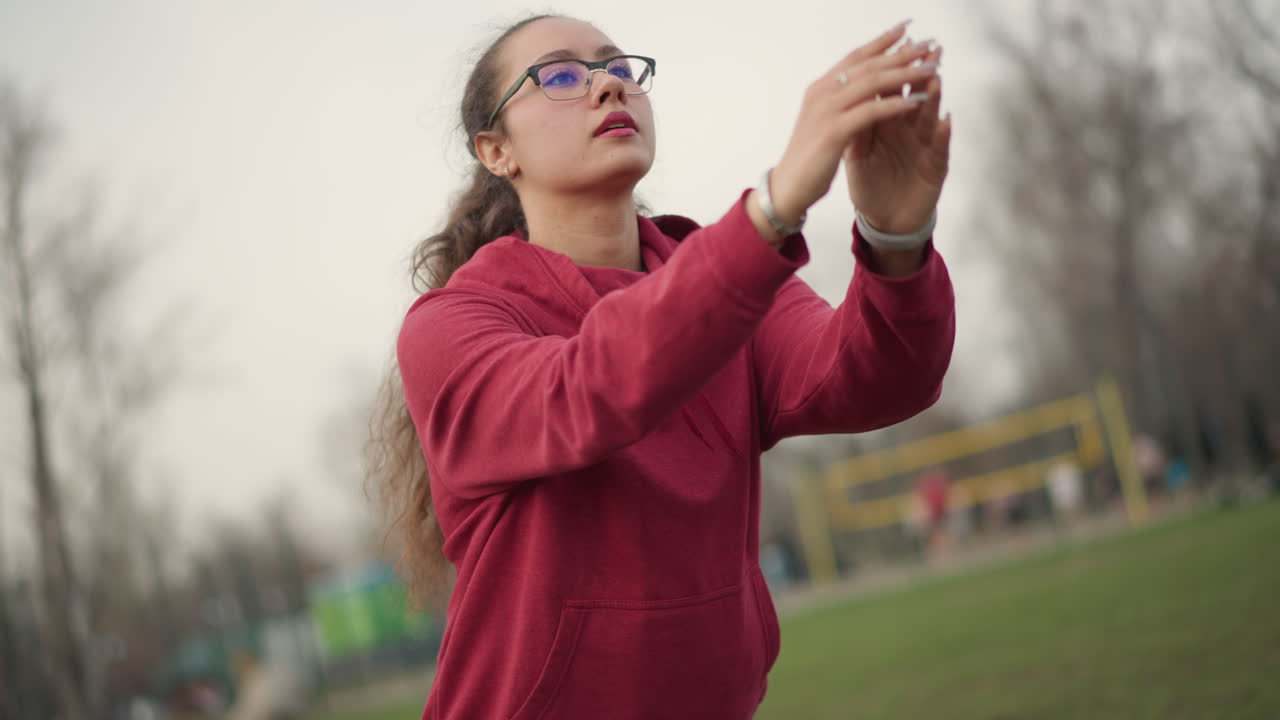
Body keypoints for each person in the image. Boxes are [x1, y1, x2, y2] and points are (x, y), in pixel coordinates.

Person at [372, 14, 955, 719]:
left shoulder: (724, 276)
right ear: (496, 150)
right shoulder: (451, 327)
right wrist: (772, 208)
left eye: (619, 68)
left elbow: (879, 378)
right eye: (559, 76)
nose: (607, 86)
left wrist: (897, 237)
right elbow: (588, 389)